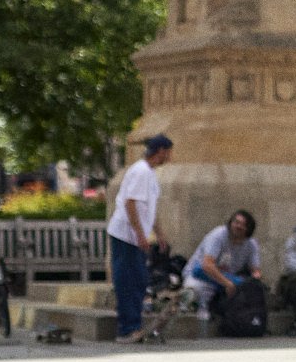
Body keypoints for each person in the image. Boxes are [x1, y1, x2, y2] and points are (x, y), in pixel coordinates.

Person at [108, 135, 173, 344]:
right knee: (129, 281)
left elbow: (150, 209)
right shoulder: (141, 172)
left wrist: (159, 233)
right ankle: (127, 329)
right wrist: (139, 234)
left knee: (139, 279)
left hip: (134, 236)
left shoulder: (149, 174)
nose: (170, 156)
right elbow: (131, 203)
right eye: (169, 152)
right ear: (161, 151)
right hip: (126, 235)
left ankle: (132, 324)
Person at [182, 210, 265, 327]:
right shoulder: (218, 236)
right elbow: (207, 265)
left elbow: (255, 269)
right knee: (195, 289)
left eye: (243, 224)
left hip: (228, 279)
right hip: (204, 277)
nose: (238, 226)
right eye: (236, 222)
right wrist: (227, 283)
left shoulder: (251, 244)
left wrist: (255, 278)